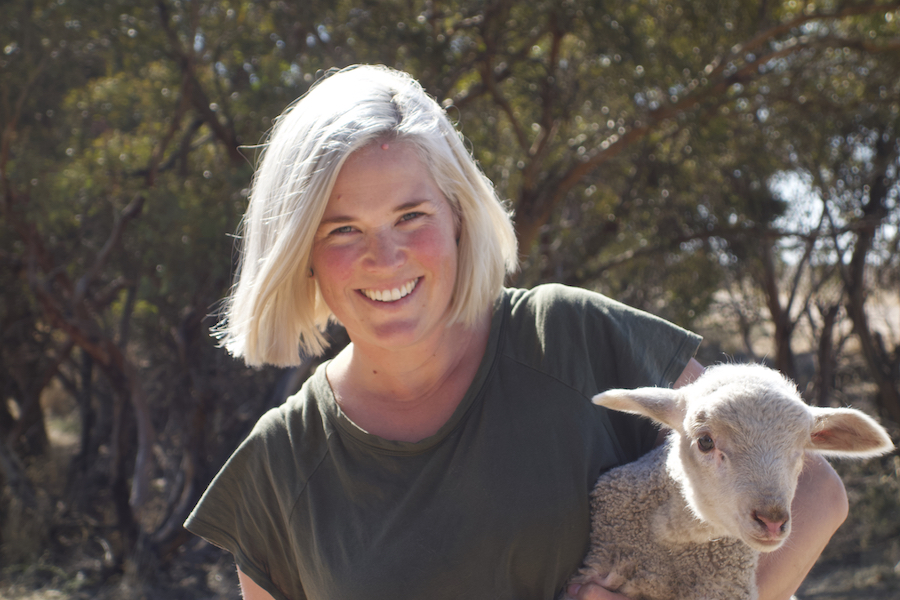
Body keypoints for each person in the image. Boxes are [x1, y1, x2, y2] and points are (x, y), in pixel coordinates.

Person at [184, 65, 848, 600]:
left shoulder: (568, 338)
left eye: (411, 215)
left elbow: (814, 492)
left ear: (458, 216)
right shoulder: (281, 463)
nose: (384, 258)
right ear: (299, 248)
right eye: (342, 228)